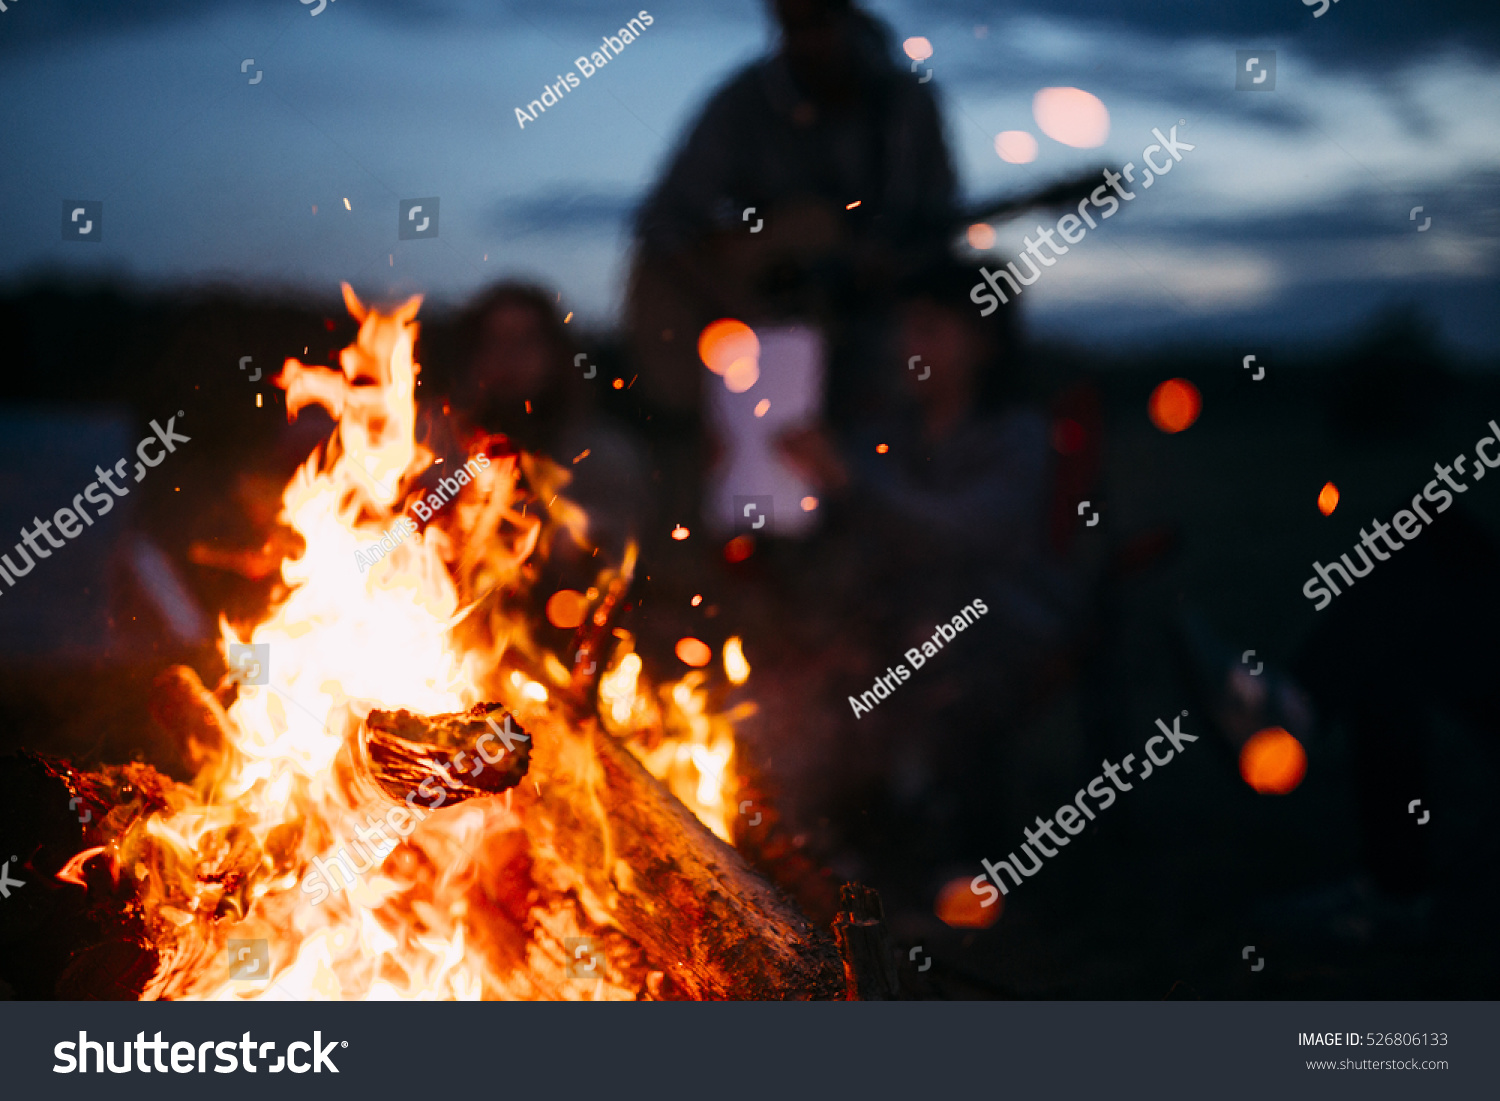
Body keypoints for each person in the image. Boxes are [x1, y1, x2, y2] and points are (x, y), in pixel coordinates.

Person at [452, 282, 648, 560]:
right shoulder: (433, 455)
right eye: (495, 340)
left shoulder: (603, 457)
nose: (509, 357)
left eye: (524, 341)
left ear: (555, 355)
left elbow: (613, 556)